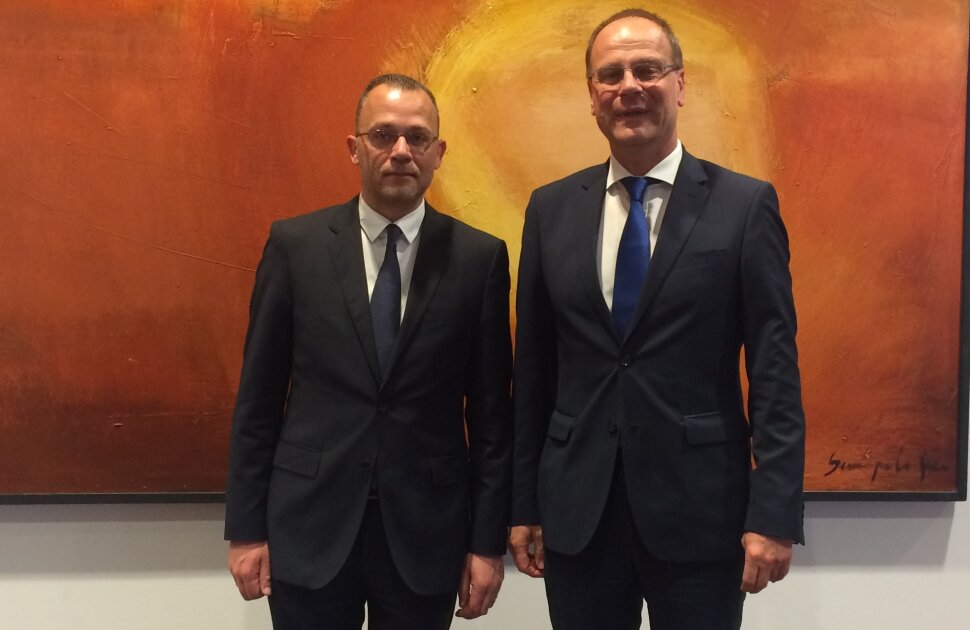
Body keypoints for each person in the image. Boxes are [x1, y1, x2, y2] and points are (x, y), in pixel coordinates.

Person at [509, 9, 805, 630]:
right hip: (579, 516)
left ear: (680, 83)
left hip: (702, 515)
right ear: (592, 95)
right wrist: (523, 505)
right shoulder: (550, 209)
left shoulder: (745, 206)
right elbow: (533, 372)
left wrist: (774, 513)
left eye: (647, 69)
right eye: (610, 74)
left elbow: (775, 371)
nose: (629, 87)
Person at [224, 73, 512, 630]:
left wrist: (486, 543)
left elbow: (491, 419)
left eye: (417, 137)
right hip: (308, 526)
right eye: (383, 135)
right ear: (354, 148)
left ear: (438, 153)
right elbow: (258, 398)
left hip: (427, 532)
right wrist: (246, 530)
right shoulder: (295, 247)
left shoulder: (479, 259)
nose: (401, 150)